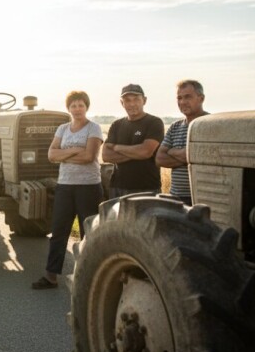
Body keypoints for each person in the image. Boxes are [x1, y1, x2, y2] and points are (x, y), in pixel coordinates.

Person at [33, 91, 104, 290]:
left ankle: (89, 278)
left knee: (88, 232)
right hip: (65, 185)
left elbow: (89, 157)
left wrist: (63, 155)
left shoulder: (94, 128)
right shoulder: (63, 128)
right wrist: (74, 151)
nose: (77, 109)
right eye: (73, 106)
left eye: (81, 105)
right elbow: (50, 155)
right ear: (69, 108)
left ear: (86, 107)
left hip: (88, 186)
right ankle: (51, 276)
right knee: (58, 230)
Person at [102, 84, 165, 198]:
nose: (132, 104)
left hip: (147, 188)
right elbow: (106, 156)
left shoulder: (154, 122)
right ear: (122, 103)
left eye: (136, 99)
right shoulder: (117, 125)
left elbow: (145, 152)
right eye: (127, 100)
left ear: (144, 100)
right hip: (117, 187)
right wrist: (137, 152)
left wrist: (117, 148)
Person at [155, 79, 209, 205]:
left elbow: (205, 156)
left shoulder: (210, 125)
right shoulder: (175, 126)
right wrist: (189, 157)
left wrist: (172, 151)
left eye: (188, 97)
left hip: (203, 198)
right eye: (179, 98)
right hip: (176, 197)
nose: (183, 102)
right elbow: (159, 159)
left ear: (201, 98)